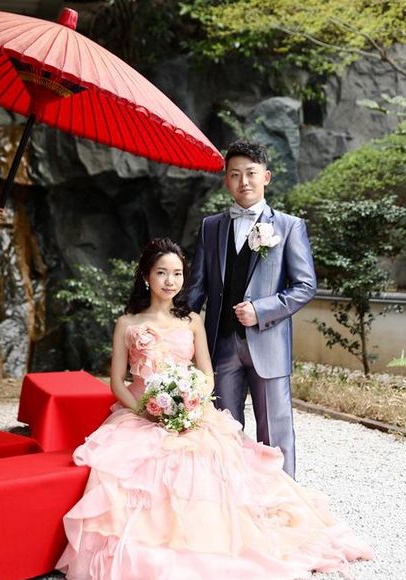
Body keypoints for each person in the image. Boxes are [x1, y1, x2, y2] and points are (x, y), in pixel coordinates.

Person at [56, 237, 373, 579]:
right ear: (146, 276)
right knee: (124, 472)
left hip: (190, 412)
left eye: (177, 273)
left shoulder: (192, 320)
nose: (170, 281)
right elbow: (117, 382)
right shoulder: (127, 323)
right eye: (161, 272)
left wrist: (190, 404)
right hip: (141, 412)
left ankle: (213, 538)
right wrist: (146, 411)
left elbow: (206, 374)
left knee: (212, 463)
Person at [187, 140, 316, 479]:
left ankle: (282, 499)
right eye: (235, 175)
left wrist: (261, 310)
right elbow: (196, 288)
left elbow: (305, 286)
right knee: (223, 430)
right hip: (221, 345)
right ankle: (230, 497)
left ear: (266, 177)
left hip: (268, 344)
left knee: (275, 431)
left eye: (251, 173)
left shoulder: (289, 226)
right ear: (226, 181)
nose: (243, 181)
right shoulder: (210, 227)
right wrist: (175, 330)